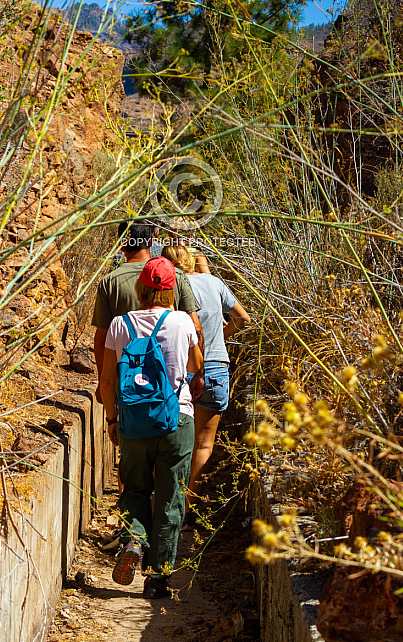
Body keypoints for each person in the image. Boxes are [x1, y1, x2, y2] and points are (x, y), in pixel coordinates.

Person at [100, 256, 203, 599]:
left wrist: (113, 419)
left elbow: (107, 380)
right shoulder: (180, 322)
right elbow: (194, 365)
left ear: (139, 287)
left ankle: (133, 540)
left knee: (134, 488)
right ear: (171, 289)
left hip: (134, 423)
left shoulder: (119, 325)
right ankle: (157, 579)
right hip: (176, 421)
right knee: (170, 499)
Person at [161, 243, 250, 526]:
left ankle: (164, 507)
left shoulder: (169, 287)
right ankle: (189, 510)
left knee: (171, 443)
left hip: (179, 370)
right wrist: (223, 335)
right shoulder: (214, 282)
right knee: (203, 443)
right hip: (215, 368)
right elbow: (242, 318)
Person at [91, 220, 205, 403]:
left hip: (129, 389)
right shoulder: (175, 276)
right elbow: (196, 329)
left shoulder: (109, 282)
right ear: (152, 242)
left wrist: (104, 384)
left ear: (121, 244)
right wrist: (200, 374)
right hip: (171, 390)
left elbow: (101, 339)